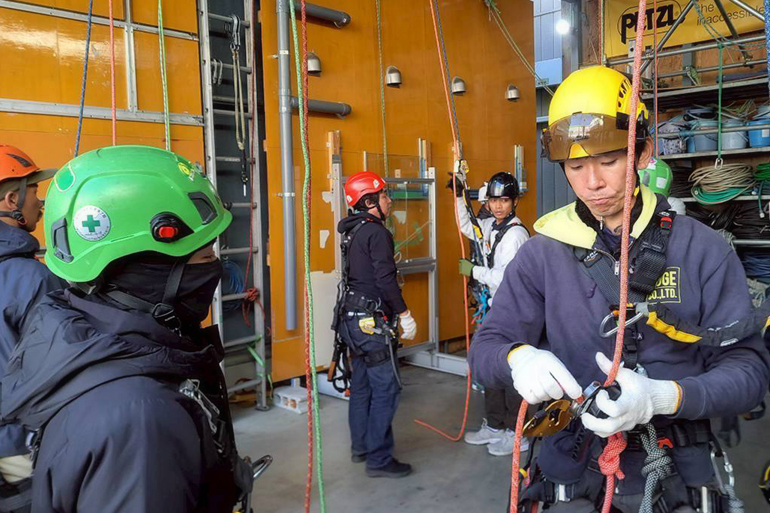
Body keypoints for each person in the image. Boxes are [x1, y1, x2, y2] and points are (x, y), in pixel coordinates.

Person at [468, 66, 770, 512]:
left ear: (644, 151)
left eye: (610, 160)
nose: (593, 182)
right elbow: (486, 347)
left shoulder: (702, 249)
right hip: (570, 461)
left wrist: (665, 396)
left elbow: (749, 372)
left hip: (674, 461)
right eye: (575, 164)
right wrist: (517, 358)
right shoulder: (543, 254)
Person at [1, 146, 254, 512]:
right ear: (148, 269)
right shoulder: (141, 420)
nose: (213, 268)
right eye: (205, 255)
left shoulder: (74, 336)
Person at [335, 170, 416, 478]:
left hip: (352, 321)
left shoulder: (354, 230)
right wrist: (405, 314)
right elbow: (384, 280)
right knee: (387, 388)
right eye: (384, 195)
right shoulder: (377, 232)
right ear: (369, 201)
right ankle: (379, 460)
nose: (389, 199)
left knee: (362, 385)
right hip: (370, 323)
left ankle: (362, 447)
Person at [0, 145, 63, 510]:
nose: (39, 203)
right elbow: (57, 366)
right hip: (15, 443)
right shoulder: (31, 278)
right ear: (12, 199)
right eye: (35, 192)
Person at [450, 173, 530, 456]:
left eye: (504, 200)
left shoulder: (516, 234)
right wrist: (459, 195)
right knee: (490, 367)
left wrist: (474, 271)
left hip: (515, 312)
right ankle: (495, 425)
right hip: (495, 310)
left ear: (514, 202)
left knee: (509, 371)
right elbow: (466, 225)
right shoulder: (489, 226)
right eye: (494, 200)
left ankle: (515, 432)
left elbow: (503, 278)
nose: (498, 206)